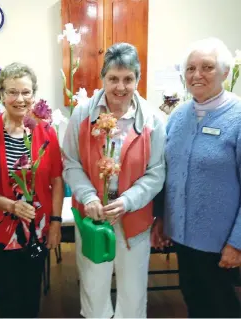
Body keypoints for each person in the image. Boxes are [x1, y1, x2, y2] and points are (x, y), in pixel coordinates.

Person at [63, 43, 166, 318]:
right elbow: (70, 162)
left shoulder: (153, 120)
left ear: (138, 80)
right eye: (113, 79)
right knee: (94, 289)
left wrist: (127, 201)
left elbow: (156, 172)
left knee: (133, 293)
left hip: (134, 218)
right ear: (103, 78)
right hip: (93, 218)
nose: (120, 87)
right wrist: (89, 197)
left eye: (128, 79)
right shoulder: (83, 114)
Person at [152, 37, 241, 318]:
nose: (197, 75)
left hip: (221, 240)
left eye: (207, 67)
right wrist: (162, 219)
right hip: (182, 236)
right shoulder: (178, 117)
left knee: (220, 305)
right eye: (190, 68)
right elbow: (170, 176)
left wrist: (238, 242)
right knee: (194, 299)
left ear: (226, 73)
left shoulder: (237, 118)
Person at [0, 62, 64, 318]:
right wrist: (9, 205)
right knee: (8, 296)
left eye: (26, 92)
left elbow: (56, 180)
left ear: (34, 95)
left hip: (37, 227)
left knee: (32, 293)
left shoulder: (46, 132)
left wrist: (55, 223)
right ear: (1, 95)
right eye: (12, 92)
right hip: (1, 228)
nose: (19, 99)